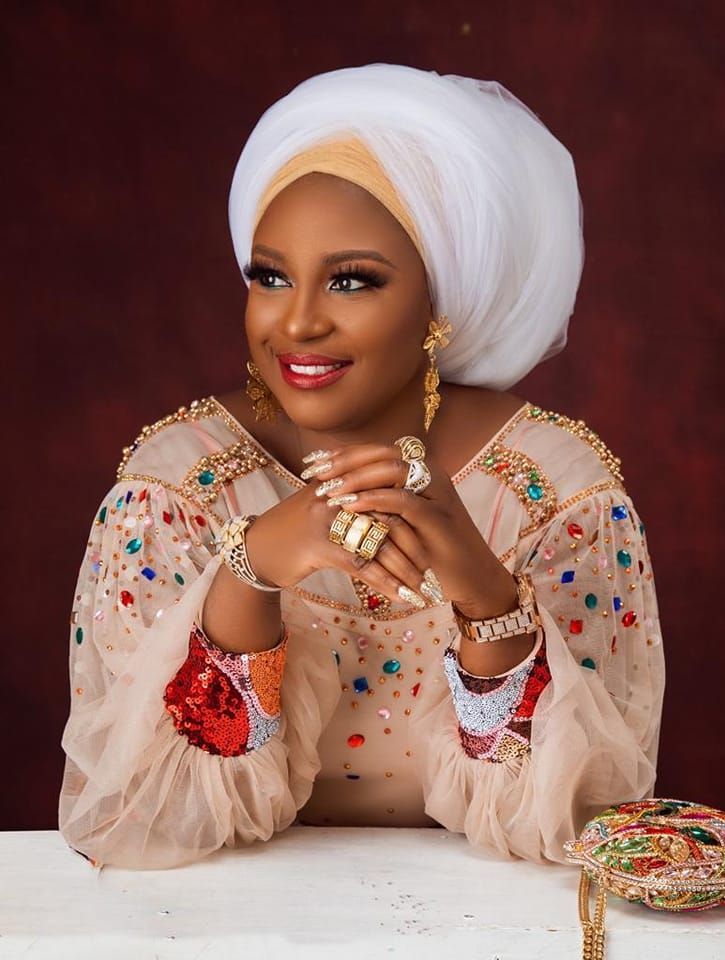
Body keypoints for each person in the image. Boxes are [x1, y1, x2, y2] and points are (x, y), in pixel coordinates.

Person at [58, 63, 666, 870]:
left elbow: (583, 823)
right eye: (269, 276)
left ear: (439, 304)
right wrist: (252, 566)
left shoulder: (554, 491)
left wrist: (486, 593)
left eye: (352, 281)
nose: (299, 320)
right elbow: (151, 816)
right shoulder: (174, 490)